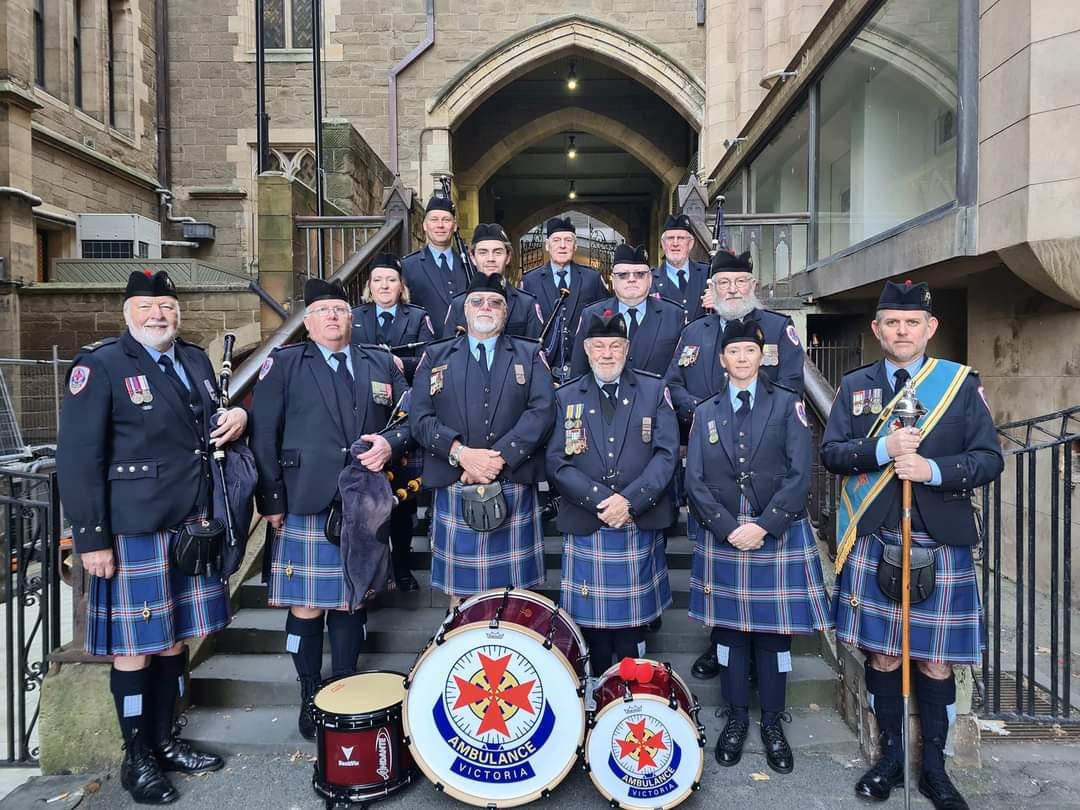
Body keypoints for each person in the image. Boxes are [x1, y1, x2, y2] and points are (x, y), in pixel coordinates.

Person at [57, 270, 248, 804]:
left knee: (175, 639)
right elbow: (77, 458)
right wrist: (91, 538)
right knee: (134, 648)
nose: (158, 315)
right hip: (132, 528)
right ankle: (135, 755)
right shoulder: (101, 366)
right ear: (128, 313)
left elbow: (203, 425)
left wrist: (235, 415)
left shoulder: (193, 359)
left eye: (166, 305)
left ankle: (165, 741)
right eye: (147, 307)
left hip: (191, 523)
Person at [822, 280, 1002, 810]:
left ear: (930, 328)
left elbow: (989, 459)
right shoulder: (855, 386)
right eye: (892, 323)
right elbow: (832, 453)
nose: (902, 331)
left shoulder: (960, 386)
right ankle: (890, 760)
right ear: (877, 330)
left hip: (939, 537)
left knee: (936, 661)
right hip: (878, 534)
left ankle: (935, 770)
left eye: (912, 323)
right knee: (882, 656)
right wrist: (882, 449)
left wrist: (933, 468)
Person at [250, 278, 410, 740]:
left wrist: (390, 441)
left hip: (364, 498)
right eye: (323, 311)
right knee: (306, 607)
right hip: (306, 496)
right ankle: (308, 692)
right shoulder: (284, 364)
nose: (333, 318)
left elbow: (409, 413)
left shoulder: (379, 361)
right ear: (308, 320)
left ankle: (342, 686)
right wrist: (272, 498)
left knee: (352, 600)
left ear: (352, 317)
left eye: (340, 310)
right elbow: (264, 433)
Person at [685, 319, 830, 775]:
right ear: (722, 359)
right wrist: (728, 527)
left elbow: (799, 474)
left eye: (750, 351)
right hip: (725, 533)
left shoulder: (788, 405)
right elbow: (696, 481)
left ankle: (772, 721)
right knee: (729, 635)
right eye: (734, 352)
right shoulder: (705, 411)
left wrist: (765, 525)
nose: (742, 358)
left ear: (760, 356)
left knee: (773, 638)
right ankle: (734, 718)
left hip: (775, 532)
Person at [667, 249, 806, 679]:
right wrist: (705, 413)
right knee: (719, 572)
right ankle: (719, 643)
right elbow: (673, 385)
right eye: (723, 283)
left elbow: (792, 384)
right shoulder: (694, 331)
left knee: (760, 580)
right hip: (710, 459)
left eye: (740, 282)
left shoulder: (778, 329)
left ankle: (760, 660)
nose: (732, 289)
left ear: (753, 285)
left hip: (766, 468)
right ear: (712, 289)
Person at [409, 273, 555, 608]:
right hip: (455, 482)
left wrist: (498, 457)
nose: (485, 307)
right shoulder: (436, 356)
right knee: (461, 594)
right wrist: (461, 454)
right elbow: (420, 417)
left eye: (495, 302)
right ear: (464, 309)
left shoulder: (529, 354)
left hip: (512, 481)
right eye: (477, 301)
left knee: (516, 593)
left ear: (506, 312)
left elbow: (542, 411)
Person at [547, 311, 676, 676]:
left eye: (615, 345)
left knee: (633, 626)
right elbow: (557, 462)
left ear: (627, 349)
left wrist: (630, 502)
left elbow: (666, 457)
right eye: (599, 346)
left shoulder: (653, 390)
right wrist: (602, 501)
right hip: (589, 520)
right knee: (590, 627)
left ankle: (631, 694)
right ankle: (596, 695)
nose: (607, 353)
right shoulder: (565, 395)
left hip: (638, 520)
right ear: (586, 350)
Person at [351, 252, 435, 592]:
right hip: (364, 413)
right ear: (370, 287)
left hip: (402, 414)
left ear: (402, 286)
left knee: (401, 500)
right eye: (378, 280)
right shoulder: (354, 318)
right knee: (365, 501)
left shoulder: (417, 317)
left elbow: (430, 358)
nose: (385, 286)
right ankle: (373, 570)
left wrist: (400, 363)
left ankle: (401, 566)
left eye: (391, 280)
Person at [570, 243, 686, 378]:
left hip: (656, 397)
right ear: (613, 280)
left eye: (639, 274)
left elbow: (680, 373)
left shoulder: (673, 316)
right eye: (623, 275)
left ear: (650, 279)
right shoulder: (591, 315)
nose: (631, 279)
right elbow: (578, 373)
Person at [520, 216, 607, 383]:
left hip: (584, 369)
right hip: (543, 367)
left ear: (575, 246)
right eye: (556, 240)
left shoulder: (592, 278)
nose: (562, 245)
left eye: (568, 240)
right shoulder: (530, 280)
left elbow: (604, 318)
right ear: (547, 245)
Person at [442, 223, 543, 339]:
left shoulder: (526, 304)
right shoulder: (458, 304)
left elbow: (534, 351)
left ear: (508, 257)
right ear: (473, 258)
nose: (490, 259)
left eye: (498, 252)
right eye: (483, 252)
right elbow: (448, 351)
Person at [401, 195, 470, 329]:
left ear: (454, 226)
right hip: (427, 346)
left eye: (446, 220)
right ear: (425, 225)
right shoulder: (409, 266)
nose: (440, 225)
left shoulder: (469, 264)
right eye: (434, 220)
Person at [650, 213, 710, 321]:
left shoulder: (708, 274)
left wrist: (718, 302)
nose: (675, 243)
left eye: (681, 238)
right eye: (670, 238)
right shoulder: (649, 279)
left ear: (690, 243)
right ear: (663, 244)